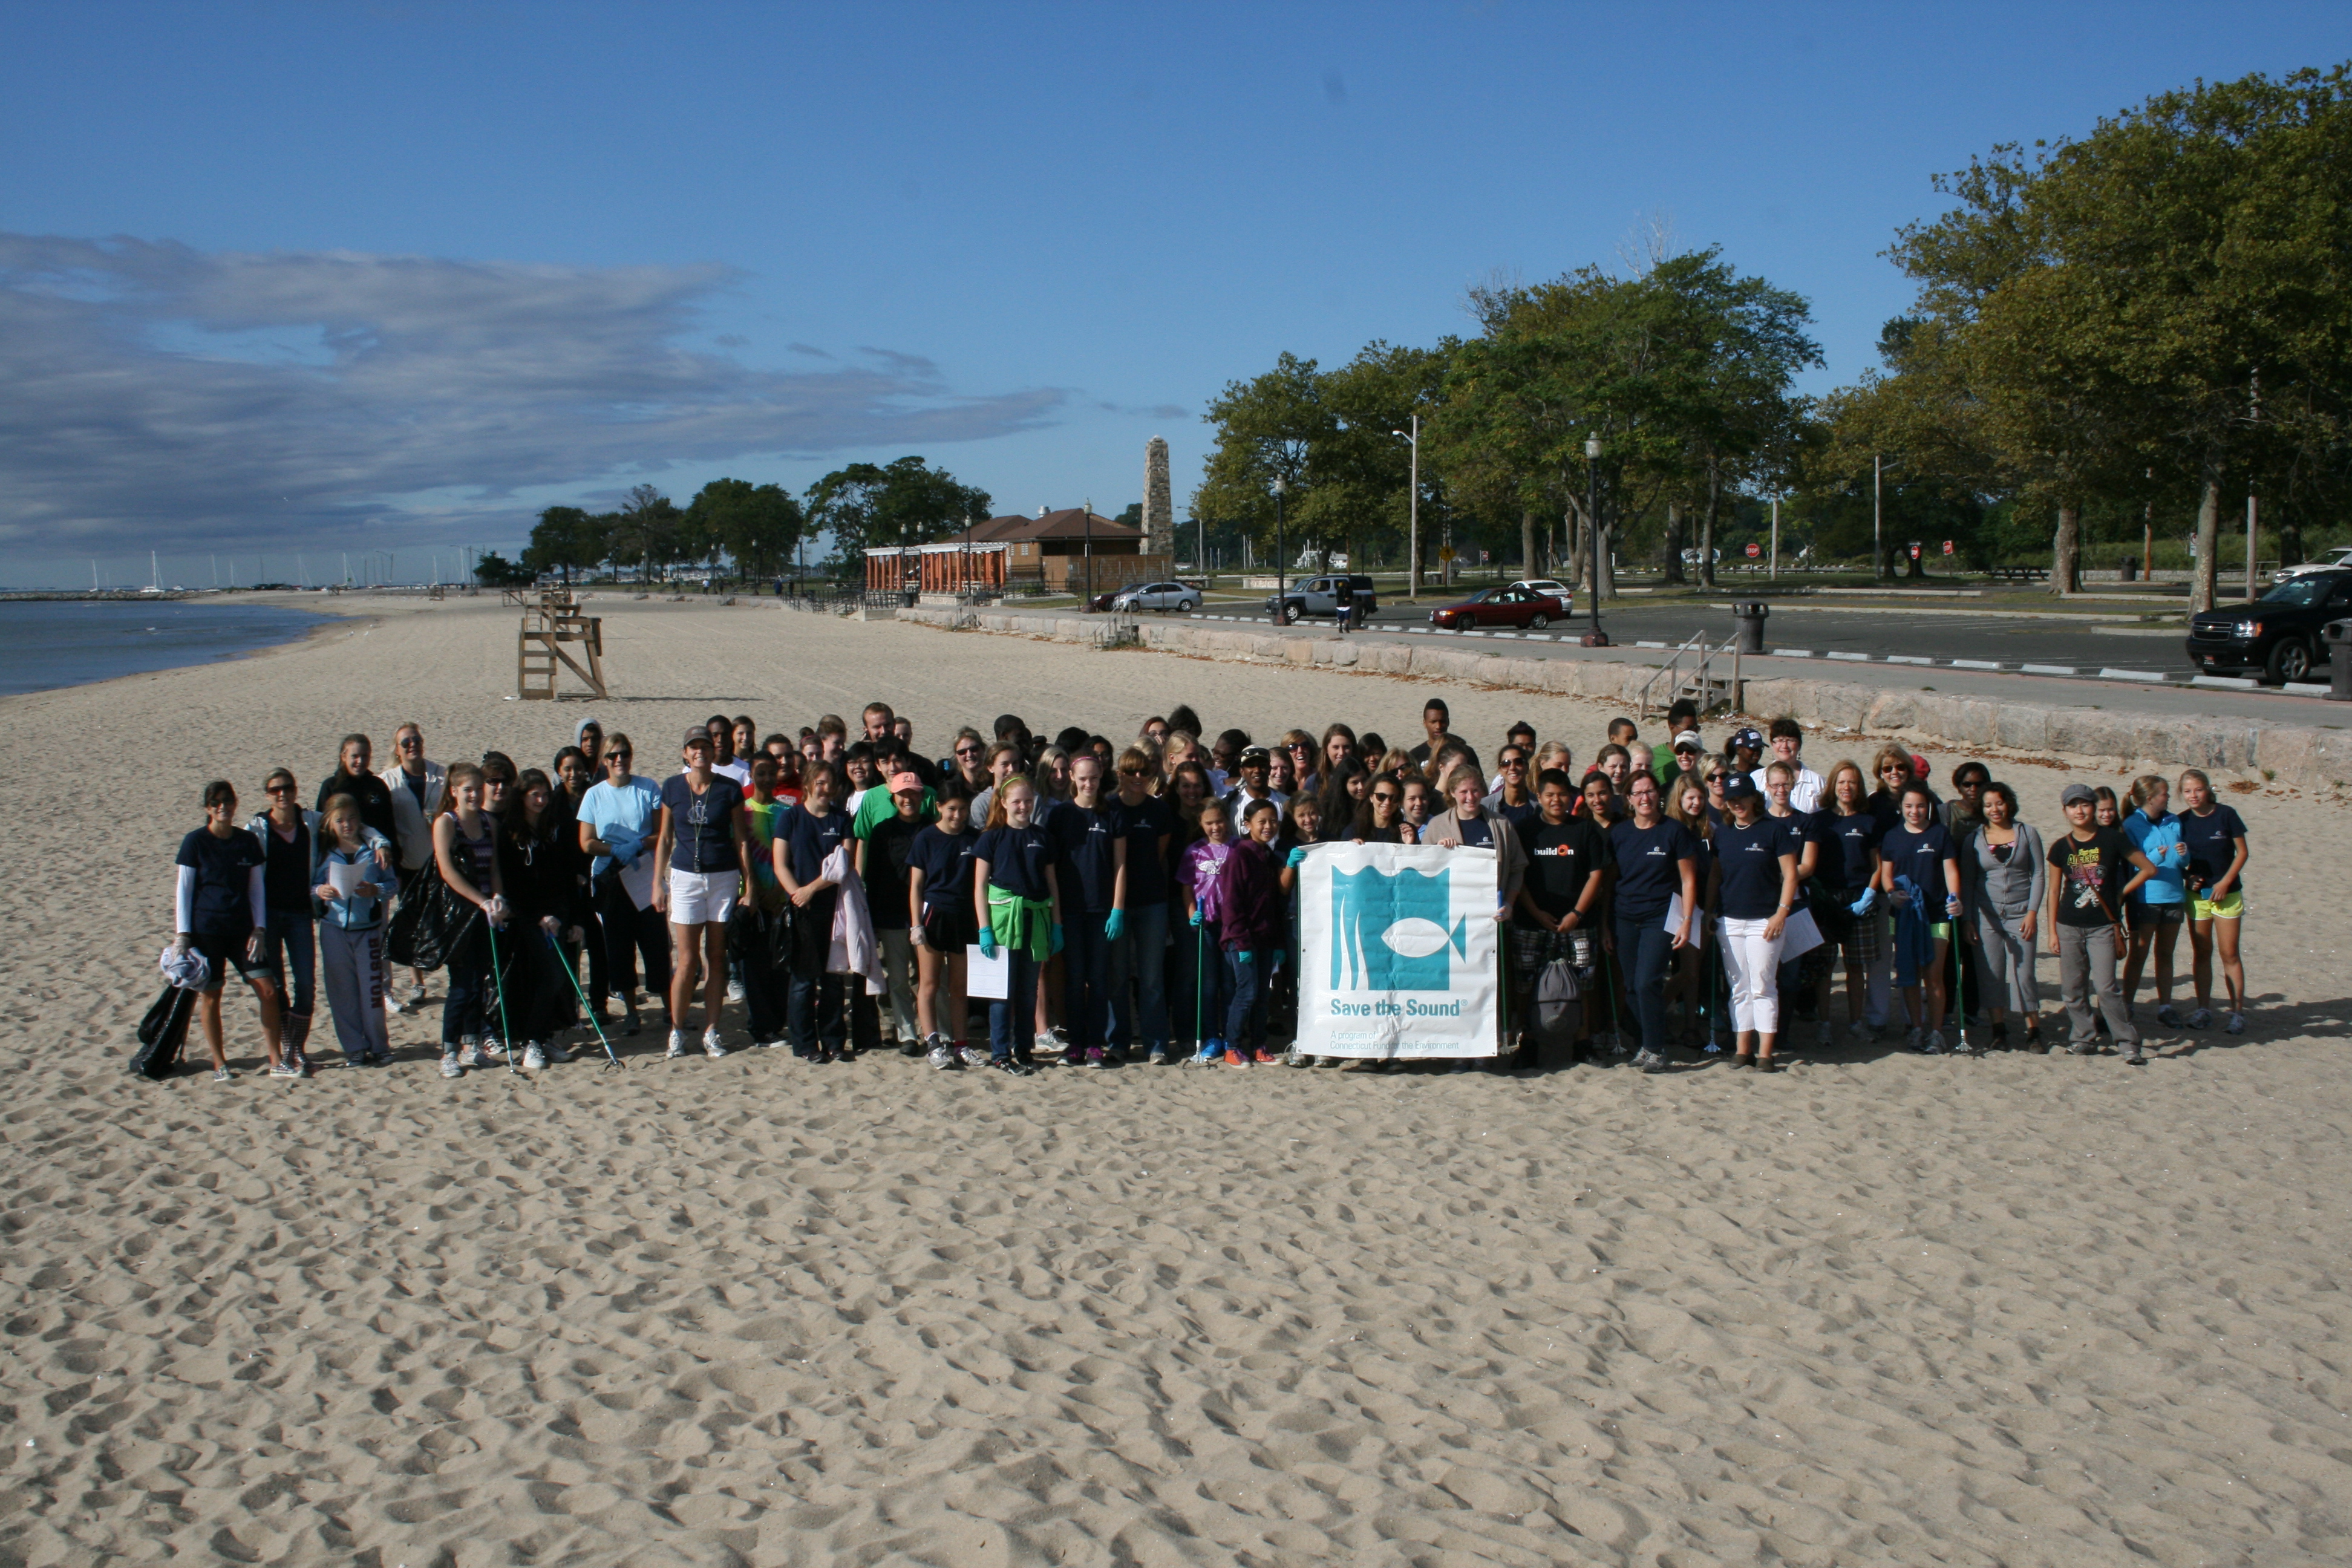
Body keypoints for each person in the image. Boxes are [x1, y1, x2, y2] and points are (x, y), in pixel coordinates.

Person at [174, 780, 283, 1081]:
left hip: (243, 932)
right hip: (207, 931)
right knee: (212, 995)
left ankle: (277, 1059)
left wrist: (260, 928)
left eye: (228, 800)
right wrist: (183, 935)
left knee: (269, 990)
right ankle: (220, 1063)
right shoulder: (195, 842)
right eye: (216, 802)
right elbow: (184, 890)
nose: (223, 806)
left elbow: (256, 889)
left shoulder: (247, 841)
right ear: (208, 808)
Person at [652, 729, 750, 1060]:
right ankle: (677, 1030)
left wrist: (747, 884)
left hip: (723, 876)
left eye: (705, 747)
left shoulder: (729, 788)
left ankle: (711, 1030)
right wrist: (658, 882)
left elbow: (741, 839)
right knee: (687, 960)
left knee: (717, 957)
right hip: (685, 877)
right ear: (685, 753)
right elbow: (665, 839)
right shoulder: (672, 787)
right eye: (694, 748)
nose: (700, 753)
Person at [2045, 782, 2158, 1062]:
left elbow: (2148, 868)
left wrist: (2121, 893)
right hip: (2068, 923)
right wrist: (2052, 932)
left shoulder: (2112, 839)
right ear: (2065, 811)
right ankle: (2083, 1036)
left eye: (2084, 804)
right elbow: (2054, 891)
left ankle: (2127, 1041)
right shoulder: (2061, 847)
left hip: (2103, 925)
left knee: (2107, 987)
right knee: (2072, 988)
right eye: (2073, 806)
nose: (2079, 810)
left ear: (2094, 807)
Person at [1604, 773, 1700, 1074]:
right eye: (1638, 793)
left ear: (1658, 795)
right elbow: (1609, 883)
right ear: (1629, 799)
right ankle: (1647, 1043)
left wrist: (1686, 921)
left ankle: (1657, 1048)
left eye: (1649, 791)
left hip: (1660, 916)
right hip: (1623, 917)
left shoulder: (1674, 832)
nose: (1644, 798)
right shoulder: (1619, 834)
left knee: (1648, 982)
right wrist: (1604, 926)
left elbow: (1688, 879)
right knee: (1632, 986)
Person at [1512, 768, 1607, 1067]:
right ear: (1538, 796)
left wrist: (1577, 913)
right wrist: (1536, 912)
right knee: (1525, 984)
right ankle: (1527, 1042)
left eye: (1563, 794)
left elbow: (1597, 875)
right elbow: (1519, 876)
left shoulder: (1586, 829)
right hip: (1532, 922)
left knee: (1584, 982)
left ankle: (1583, 1042)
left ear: (1572, 796)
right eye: (1550, 795)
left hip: (1578, 924)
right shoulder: (1525, 829)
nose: (1557, 801)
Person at [576, 734, 668, 1037]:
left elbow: (662, 834)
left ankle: (669, 1007)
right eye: (613, 755)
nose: (620, 760)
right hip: (611, 880)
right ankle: (631, 1012)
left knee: (656, 945)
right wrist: (614, 850)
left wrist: (639, 844)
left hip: (644, 878)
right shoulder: (594, 795)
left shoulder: (648, 788)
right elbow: (587, 842)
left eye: (624, 753)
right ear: (604, 761)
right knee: (619, 949)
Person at [1711, 774, 1801, 1071]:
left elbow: (1790, 874)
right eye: (1732, 799)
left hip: (1765, 920)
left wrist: (1781, 912)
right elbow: (1715, 875)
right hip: (1730, 920)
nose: (1737, 803)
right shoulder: (1723, 833)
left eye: (1742, 798)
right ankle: (1742, 1049)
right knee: (1738, 985)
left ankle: (1765, 1053)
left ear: (1754, 799)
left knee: (1763, 985)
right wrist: (1710, 910)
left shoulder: (1773, 831)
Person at [973, 776, 1060, 1076]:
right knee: (1001, 993)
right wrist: (984, 928)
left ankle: (1023, 1048)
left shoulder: (1042, 837)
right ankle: (999, 1051)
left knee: (1027, 991)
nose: (1023, 806)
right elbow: (980, 886)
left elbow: (1052, 884)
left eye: (1028, 801)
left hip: (1035, 919)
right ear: (1004, 803)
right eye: (1017, 801)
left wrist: (1056, 925)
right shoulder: (991, 838)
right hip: (1002, 924)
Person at [431, 762, 509, 1078]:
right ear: (454, 792)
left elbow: (494, 867)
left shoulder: (489, 822)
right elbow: (447, 871)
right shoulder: (446, 823)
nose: (475, 795)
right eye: (468, 790)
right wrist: (482, 901)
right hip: (459, 914)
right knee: (461, 986)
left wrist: (498, 897)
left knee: (481, 982)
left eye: (479, 789)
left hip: (486, 913)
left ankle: (473, 1043)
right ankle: (449, 1051)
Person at [501, 768, 581, 1068]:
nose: (541, 800)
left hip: (556, 914)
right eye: (535, 794)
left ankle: (543, 1036)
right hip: (528, 917)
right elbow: (513, 883)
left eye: (545, 794)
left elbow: (564, 875)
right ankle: (531, 1041)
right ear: (521, 796)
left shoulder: (553, 828)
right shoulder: (511, 832)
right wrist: (537, 916)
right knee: (546, 975)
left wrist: (571, 918)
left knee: (557, 976)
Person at [1878, 781, 1964, 1054]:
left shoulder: (1940, 834)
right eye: (1909, 806)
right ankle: (1916, 1028)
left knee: (1934, 974)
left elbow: (1950, 871)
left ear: (1928, 807)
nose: (1915, 811)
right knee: (1909, 973)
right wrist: (1891, 893)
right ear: (1901, 808)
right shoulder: (1892, 836)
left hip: (1936, 913)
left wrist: (1955, 898)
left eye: (1920, 806)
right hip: (1904, 914)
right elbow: (1886, 874)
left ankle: (1936, 1032)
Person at [1959, 780, 2045, 1051]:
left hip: (2021, 914)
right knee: (1991, 974)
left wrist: (2032, 913)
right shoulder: (1973, 839)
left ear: (2008, 803)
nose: (1994, 809)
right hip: (1986, 916)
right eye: (1988, 805)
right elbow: (1968, 881)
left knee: (2025, 973)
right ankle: (1999, 1030)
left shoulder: (2027, 833)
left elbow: (2040, 874)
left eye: (1999, 803)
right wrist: (1968, 920)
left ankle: (2033, 1030)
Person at [311, 792, 396, 1067]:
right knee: (342, 992)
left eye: (351, 819)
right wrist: (318, 890)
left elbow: (392, 885)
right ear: (329, 823)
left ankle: (379, 1045)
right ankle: (354, 1048)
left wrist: (376, 890)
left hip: (368, 930)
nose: (346, 825)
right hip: (333, 928)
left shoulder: (373, 850)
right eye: (340, 820)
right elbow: (309, 885)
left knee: (372, 991)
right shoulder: (322, 852)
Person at [777, 763, 854, 1062]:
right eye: (819, 783)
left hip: (834, 908)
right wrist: (798, 894)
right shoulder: (791, 818)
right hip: (801, 910)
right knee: (803, 980)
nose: (825, 789)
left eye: (830, 784)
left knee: (834, 978)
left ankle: (834, 1041)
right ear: (808, 784)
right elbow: (780, 863)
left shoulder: (841, 819)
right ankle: (805, 1045)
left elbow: (843, 864)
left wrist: (811, 890)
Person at [247, 768, 319, 1076]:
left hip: (301, 914)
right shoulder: (258, 829)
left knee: (306, 984)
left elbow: (353, 824)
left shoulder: (311, 822)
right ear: (268, 795)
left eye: (287, 787)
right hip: (269, 917)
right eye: (276, 789)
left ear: (296, 789)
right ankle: (289, 1049)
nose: (283, 794)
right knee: (276, 987)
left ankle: (295, 1049)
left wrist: (380, 843)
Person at [1108, 746, 1175, 1063]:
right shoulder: (1108, 807)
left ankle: (1156, 1043)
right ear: (1120, 773)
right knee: (1117, 976)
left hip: (1151, 901)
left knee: (1152, 978)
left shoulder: (1159, 811)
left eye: (1144, 772)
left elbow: (1159, 856)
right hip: (1116, 905)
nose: (1138, 778)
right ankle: (1118, 1041)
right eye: (1131, 772)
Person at [858, 771, 932, 1055]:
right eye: (903, 794)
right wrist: (872, 919)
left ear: (922, 796)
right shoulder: (882, 832)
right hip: (890, 914)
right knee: (898, 979)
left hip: (926, 915)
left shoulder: (931, 829)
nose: (908, 799)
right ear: (894, 798)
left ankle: (931, 1030)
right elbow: (872, 877)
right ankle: (907, 1034)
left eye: (913, 793)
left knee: (928, 980)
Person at [909, 784, 982, 1068]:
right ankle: (934, 1044)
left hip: (965, 917)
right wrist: (916, 924)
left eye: (963, 809)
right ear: (939, 807)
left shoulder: (974, 838)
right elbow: (915, 885)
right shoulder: (926, 838)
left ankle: (961, 1044)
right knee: (929, 983)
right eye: (952, 808)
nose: (958, 815)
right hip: (934, 915)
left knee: (959, 987)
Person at [2174, 769, 2249, 1033]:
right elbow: (2179, 860)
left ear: (2207, 789)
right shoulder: (2181, 821)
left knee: (2230, 953)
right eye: (2187, 791)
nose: (2193, 796)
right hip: (2198, 896)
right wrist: (2189, 876)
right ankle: (2203, 1009)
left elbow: (2242, 852)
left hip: (2226, 894)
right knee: (2202, 953)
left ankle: (2237, 1013)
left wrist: (2226, 882)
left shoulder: (2226, 814)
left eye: (2198, 789)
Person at [378, 722, 445, 1014]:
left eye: (416, 739)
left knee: (442, 919)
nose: (411, 745)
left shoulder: (440, 775)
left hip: (441, 862)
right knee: (412, 920)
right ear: (397, 749)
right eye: (405, 742)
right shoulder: (388, 782)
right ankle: (417, 982)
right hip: (407, 864)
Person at [1762, 759, 1830, 1045]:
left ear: (1793, 785)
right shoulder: (1760, 821)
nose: (1781, 790)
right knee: (1765, 975)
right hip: (1763, 904)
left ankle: (1782, 1034)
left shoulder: (1806, 822)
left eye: (1785, 784)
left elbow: (1809, 865)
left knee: (1790, 977)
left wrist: (1783, 877)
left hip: (1797, 906)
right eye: (1775, 785)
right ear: (1766, 787)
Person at [1213, 799, 1287, 1064]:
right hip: (1242, 940)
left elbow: (1272, 904)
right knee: (1246, 993)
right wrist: (1241, 942)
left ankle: (1259, 1045)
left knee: (1262, 997)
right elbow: (1231, 904)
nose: (1269, 826)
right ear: (1247, 825)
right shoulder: (1239, 855)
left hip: (1266, 939)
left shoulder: (1268, 856)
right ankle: (1232, 1046)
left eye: (1273, 821)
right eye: (1262, 821)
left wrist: (1277, 941)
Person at [1817, 761, 1886, 1040]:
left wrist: (1869, 895)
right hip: (1827, 899)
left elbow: (1878, 866)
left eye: (1853, 782)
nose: (1847, 787)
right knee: (1824, 966)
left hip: (1860, 899)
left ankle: (1856, 1023)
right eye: (1842, 782)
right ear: (1833, 784)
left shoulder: (1868, 822)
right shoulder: (1820, 820)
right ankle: (1824, 1024)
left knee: (1856, 966)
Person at [2118, 774, 2189, 1025]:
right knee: (2139, 952)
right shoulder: (2131, 825)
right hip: (2146, 897)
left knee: (2166, 953)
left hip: (2174, 894)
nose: (2168, 797)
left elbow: (2182, 862)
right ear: (2150, 798)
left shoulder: (2174, 821)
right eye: (2165, 794)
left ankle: (2166, 1006)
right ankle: (2127, 1004)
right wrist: (2154, 857)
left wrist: (2184, 855)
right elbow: (2132, 865)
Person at [1177, 796, 1242, 1063]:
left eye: (1220, 821)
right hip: (1206, 925)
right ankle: (1211, 1036)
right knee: (1208, 983)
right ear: (1201, 824)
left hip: (1231, 926)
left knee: (1230, 983)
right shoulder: (1194, 852)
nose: (1216, 827)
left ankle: (1230, 1035)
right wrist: (1192, 914)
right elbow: (1187, 886)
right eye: (1210, 823)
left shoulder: (1238, 848)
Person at [737, 757, 794, 1048]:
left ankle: (778, 1023)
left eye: (772, 773)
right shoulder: (743, 810)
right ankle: (761, 1028)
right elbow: (739, 852)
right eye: (761, 773)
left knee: (781, 966)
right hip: (753, 900)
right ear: (751, 775)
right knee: (755, 967)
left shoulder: (787, 811)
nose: (768, 778)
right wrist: (753, 891)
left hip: (782, 899)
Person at [317, 734, 397, 848]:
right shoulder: (331, 786)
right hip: (340, 854)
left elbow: (389, 825)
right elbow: (322, 825)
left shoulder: (378, 786)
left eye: (365, 756)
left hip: (376, 853)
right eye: (355, 756)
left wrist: (393, 852)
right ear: (344, 757)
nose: (360, 761)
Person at [1752, 718, 1825, 812]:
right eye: (1780, 740)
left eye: (1790, 740)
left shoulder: (1817, 782)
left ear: (1799, 745)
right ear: (1772, 744)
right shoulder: (1757, 778)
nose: (1785, 746)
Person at [1486, 745, 1540, 833]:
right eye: (1506, 763)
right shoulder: (1486, 806)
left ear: (1527, 767)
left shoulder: (1540, 805)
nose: (1512, 768)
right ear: (1500, 770)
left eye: (1519, 762)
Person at [1353, 776, 1414, 843]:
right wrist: (1350, 847)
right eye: (1381, 796)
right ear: (1371, 797)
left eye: (1394, 798)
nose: (1387, 802)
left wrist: (1408, 846)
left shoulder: (1408, 832)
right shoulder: (1354, 831)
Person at [1406, 699, 1456, 767]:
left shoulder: (1464, 753)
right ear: (1425, 723)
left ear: (1448, 722)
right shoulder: (1414, 756)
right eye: (1433, 722)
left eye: (1442, 722)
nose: (1438, 726)